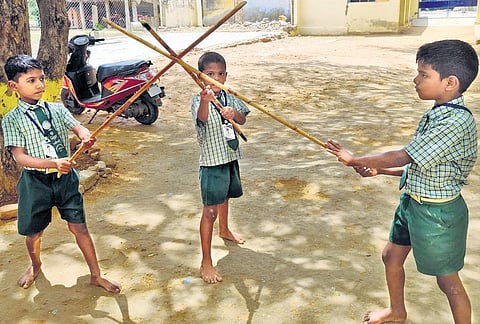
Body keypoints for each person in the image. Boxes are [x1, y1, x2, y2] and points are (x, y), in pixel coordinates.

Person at [325, 39, 478, 324]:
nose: (415, 80)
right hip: (413, 203)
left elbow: (403, 156)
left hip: (437, 214)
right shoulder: (438, 114)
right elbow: (421, 165)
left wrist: (357, 159)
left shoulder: (454, 122)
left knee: (448, 283)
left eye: (423, 74)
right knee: (390, 257)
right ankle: (397, 312)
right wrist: (378, 171)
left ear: (450, 82)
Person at [2, 55, 121, 293]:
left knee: (79, 227)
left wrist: (84, 135)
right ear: (14, 86)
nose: (39, 85)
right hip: (35, 183)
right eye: (31, 80)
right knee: (33, 233)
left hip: (66, 180)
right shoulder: (11, 119)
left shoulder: (57, 109)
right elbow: (20, 157)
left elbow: (77, 126)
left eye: (41, 79)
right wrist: (53, 163)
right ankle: (35, 266)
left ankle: (96, 275)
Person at [190, 51, 250, 284]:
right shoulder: (199, 99)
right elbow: (202, 119)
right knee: (210, 211)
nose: (216, 78)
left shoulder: (228, 96)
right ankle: (206, 261)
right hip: (212, 163)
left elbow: (243, 119)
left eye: (220, 74)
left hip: (229, 156)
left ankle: (224, 230)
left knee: (226, 197)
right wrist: (206, 102)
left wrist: (233, 114)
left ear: (225, 75)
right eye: (210, 74)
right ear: (201, 77)